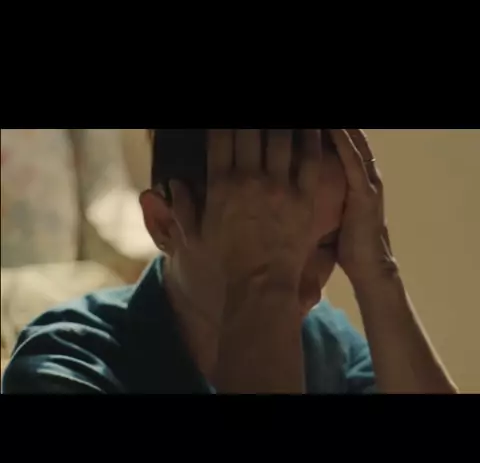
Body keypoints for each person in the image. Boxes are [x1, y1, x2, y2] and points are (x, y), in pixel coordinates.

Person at [1, 129, 458, 394]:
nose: (309, 290)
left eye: (327, 244)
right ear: (163, 224)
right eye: (263, 244)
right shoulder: (64, 361)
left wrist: (379, 271)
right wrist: (262, 287)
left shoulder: (328, 345)